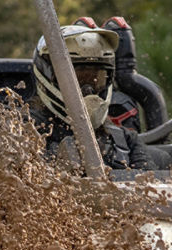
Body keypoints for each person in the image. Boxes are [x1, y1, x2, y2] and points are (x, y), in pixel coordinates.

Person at [29, 24, 153, 170]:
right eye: (79, 79)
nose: (88, 90)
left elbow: (153, 187)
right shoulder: (22, 133)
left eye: (96, 79)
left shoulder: (126, 141)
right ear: (49, 76)